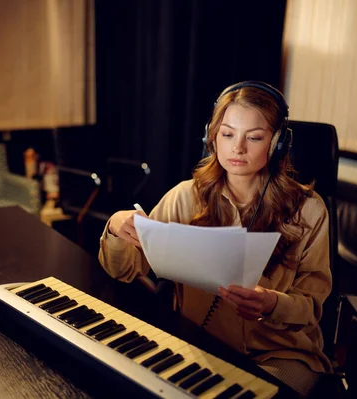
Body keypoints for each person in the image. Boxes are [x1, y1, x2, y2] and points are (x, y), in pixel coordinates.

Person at [98, 81, 332, 396]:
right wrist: (115, 227)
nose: (238, 148)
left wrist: (273, 303)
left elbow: (312, 307)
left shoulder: (310, 211)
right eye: (227, 134)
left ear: (277, 145)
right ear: (213, 137)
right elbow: (125, 270)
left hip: (282, 351)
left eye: (255, 137)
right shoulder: (184, 197)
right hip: (201, 345)